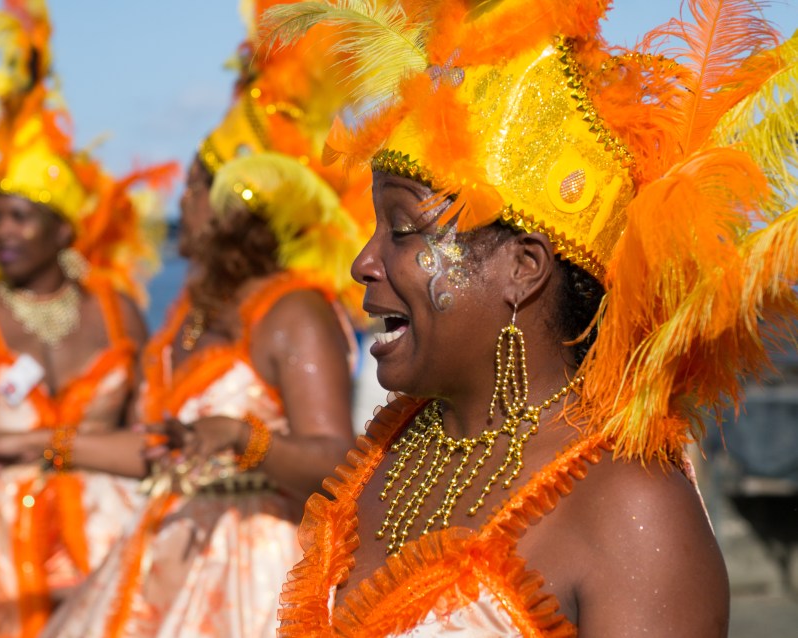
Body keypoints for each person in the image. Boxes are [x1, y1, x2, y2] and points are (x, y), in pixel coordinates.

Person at [264, 0, 798, 635]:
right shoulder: (391, 451)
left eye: (404, 230)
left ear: (523, 267)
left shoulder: (630, 509)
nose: (364, 262)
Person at [39, 5, 368, 636]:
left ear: (228, 213)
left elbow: (336, 463)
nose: (180, 202)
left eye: (193, 189)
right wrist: (38, 448)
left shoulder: (294, 312)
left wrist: (246, 441)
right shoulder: (189, 312)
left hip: (255, 581)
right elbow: (160, 450)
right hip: (161, 557)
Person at [0, 3, 175, 636]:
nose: (3, 232)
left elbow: (150, 431)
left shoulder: (117, 311)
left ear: (63, 231)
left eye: (21, 217)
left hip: (103, 538)